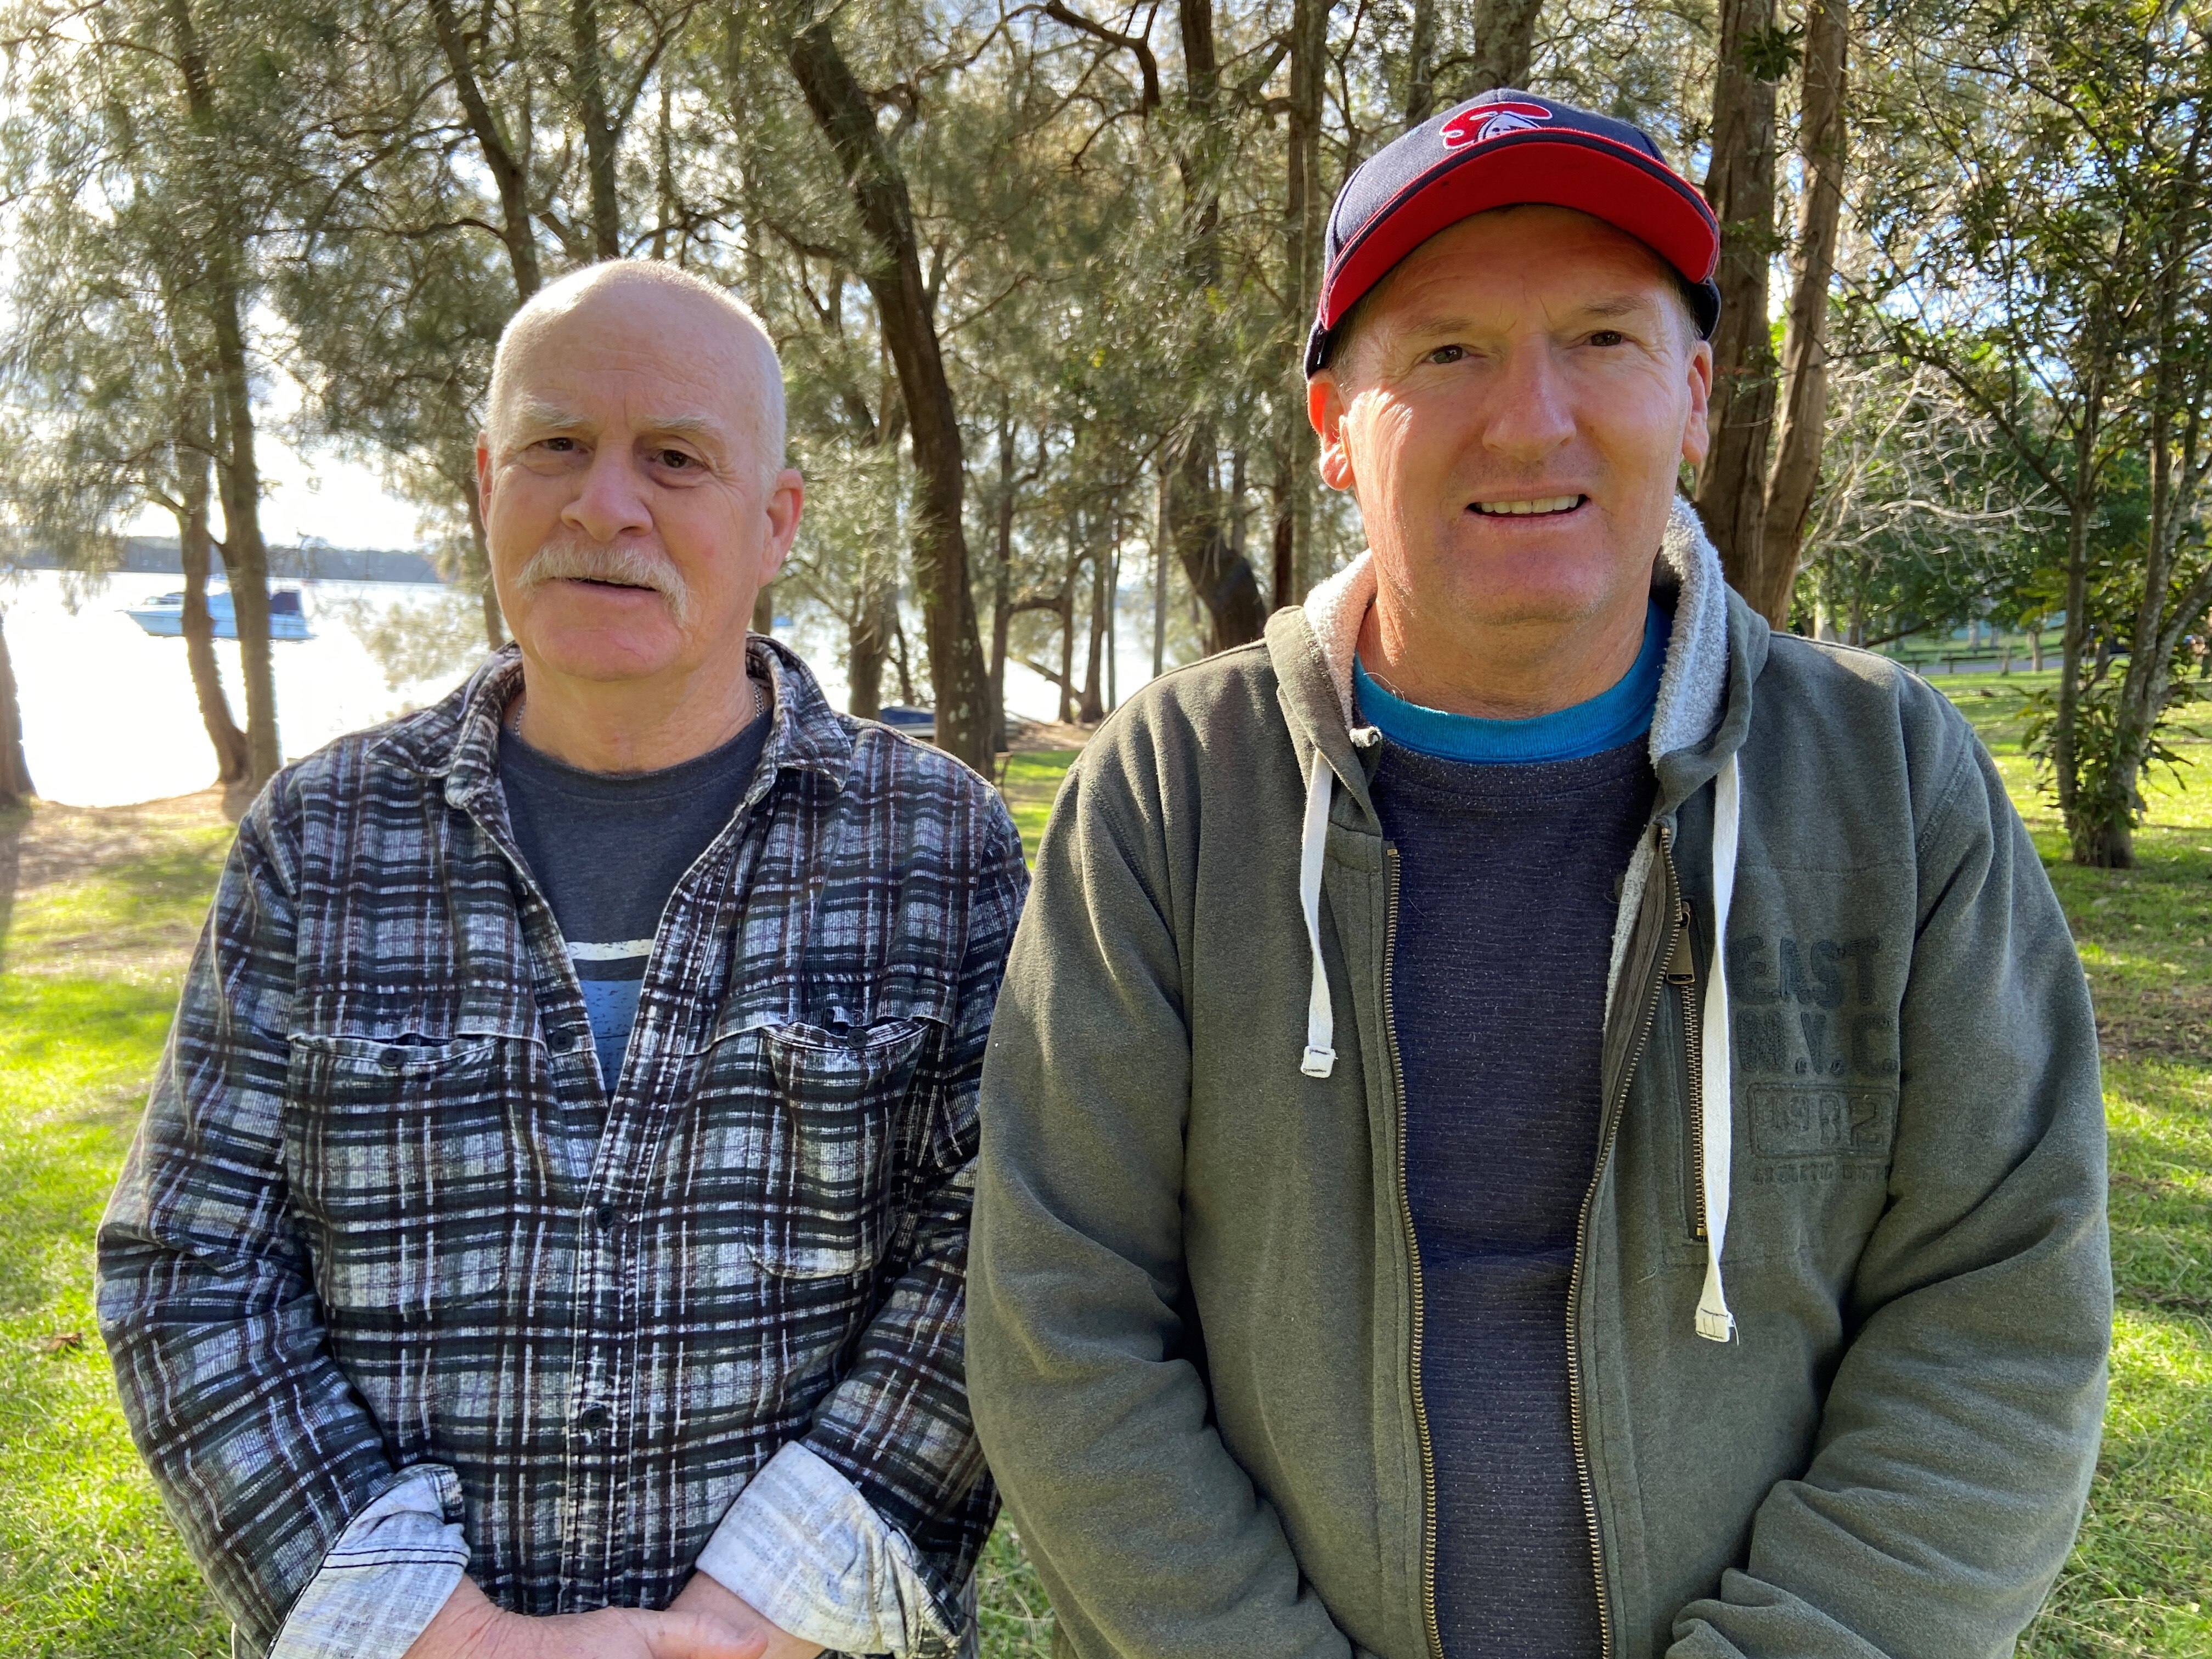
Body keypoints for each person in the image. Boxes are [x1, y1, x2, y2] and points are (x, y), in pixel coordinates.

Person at [967, 89, 2110, 1659]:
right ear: (1334, 433)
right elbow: (1064, 1323)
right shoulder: (1173, 794)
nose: (1530, 418)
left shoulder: (1891, 788)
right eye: (1445, 351)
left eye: (1601, 341)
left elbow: (2000, 1318)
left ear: (1695, 395)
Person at [98, 261, 1026, 1659]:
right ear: (487, 483)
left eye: (675, 457)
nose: (605, 504)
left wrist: (758, 1613)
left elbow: (1012, 1248)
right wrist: (449, 1639)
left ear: (775, 522)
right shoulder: (320, 839)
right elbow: (189, 1266)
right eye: (557, 446)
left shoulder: (938, 846)